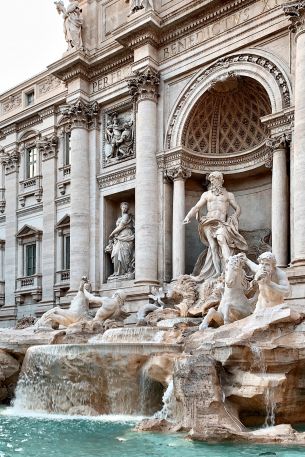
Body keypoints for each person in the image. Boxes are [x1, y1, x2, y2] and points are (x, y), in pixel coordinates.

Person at [183, 171, 247, 281]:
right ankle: (217, 272)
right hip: (208, 221)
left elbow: (238, 208)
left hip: (221, 222)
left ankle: (229, 267)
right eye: (212, 180)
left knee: (221, 239)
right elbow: (197, 207)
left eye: (216, 179)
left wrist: (235, 216)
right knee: (212, 247)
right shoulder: (206, 195)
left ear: (221, 181)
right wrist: (188, 216)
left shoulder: (228, 195)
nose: (213, 182)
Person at [106, 202, 135, 279]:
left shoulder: (126, 216)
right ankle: (117, 272)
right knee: (116, 253)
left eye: (126, 208)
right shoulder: (119, 218)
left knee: (125, 254)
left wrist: (112, 234)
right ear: (121, 208)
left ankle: (124, 271)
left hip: (127, 236)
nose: (125, 209)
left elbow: (121, 227)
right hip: (119, 237)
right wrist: (115, 236)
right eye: (123, 207)